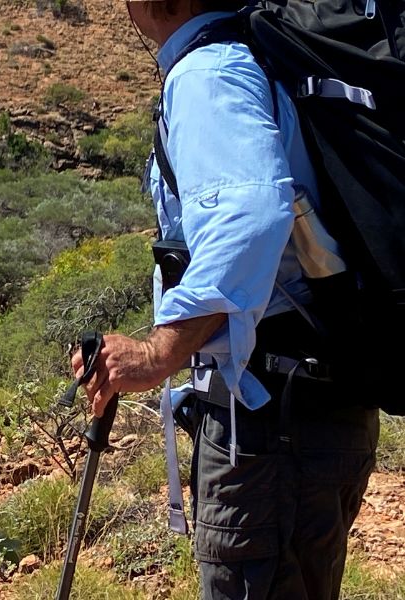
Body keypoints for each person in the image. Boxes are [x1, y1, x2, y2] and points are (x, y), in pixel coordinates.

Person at [70, 1, 380, 598]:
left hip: (271, 426)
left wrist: (158, 353)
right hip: (310, 406)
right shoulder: (260, 58)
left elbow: (250, 216)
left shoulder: (206, 72)